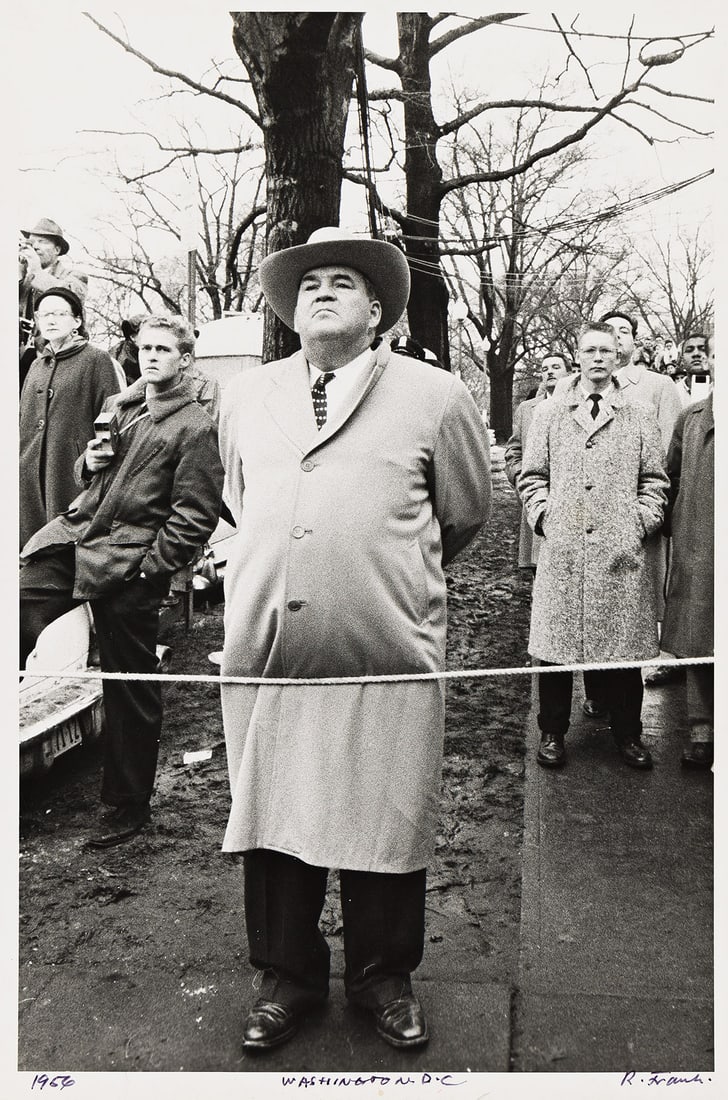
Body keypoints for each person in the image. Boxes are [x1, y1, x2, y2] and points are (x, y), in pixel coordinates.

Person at [217, 226, 491, 1053]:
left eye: (344, 281)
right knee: (273, 818)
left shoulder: (434, 396)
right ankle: (284, 978)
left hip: (387, 655)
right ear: (291, 310)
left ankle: (384, 978)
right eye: (309, 283)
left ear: (378, 308)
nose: (324, 291)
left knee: (385, 818)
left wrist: (374, 577)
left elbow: (463, 514)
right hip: (268, 657)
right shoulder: (245, 397)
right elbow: (240, 499)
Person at [20, 314, 224, 847]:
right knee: (19, 601)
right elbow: (89, 481)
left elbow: (195, 514)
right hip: (78, 540)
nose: (151, 356)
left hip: (129, 563)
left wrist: (149, 570)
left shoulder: (194, 425)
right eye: (145, 348)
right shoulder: (120, 408)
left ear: (185, 359)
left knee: (129, 684)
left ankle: (127, 806)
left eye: (163, 349)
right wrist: (89, 462)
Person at [519, 321, 668, 771]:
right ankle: (552, 733)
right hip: (564, 548)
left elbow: (655, 482)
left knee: (623, 650)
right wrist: (545, 516)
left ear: (619, 356)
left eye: (607, 350)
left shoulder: (638, 413)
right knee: (555, 649)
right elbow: (531, 477)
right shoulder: (550, 412)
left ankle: (629, 734)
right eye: (590, 350)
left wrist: (637, 522)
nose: (598, 358)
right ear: (578, 356)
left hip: (619, 552)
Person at [599, 309, 684, 689]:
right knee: (598, 595)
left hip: (638, 507)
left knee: (641, 593)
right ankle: (598, 682)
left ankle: (649, 664)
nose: (617, 338)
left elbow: (668, 450)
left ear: (635, 341)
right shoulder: (584, 384)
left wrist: (649, 506)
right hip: (592, 509)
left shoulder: (657, 385)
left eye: (625, 332)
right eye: (609, 331)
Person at [19, 288, 120, 550]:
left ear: (77, 321)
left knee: (64, 548)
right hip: (28, 476)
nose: (51, 320)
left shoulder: (96, 359)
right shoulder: (35, 365)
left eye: (60, 313)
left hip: (73, 475)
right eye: (44, 314)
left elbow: (111, 415)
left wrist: (100, 465)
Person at [661, 333, 714, 769]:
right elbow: (670, 479)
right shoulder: (692, 418)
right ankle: (701, 730)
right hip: (700, 547)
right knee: (700, 636)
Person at [505, 352, 571, 571]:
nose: (549, 372)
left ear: (569, 373)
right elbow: (514, 450)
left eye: (555, 367)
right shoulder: (527, 409)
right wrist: (519, 478)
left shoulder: (579, 406)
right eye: (544, 369)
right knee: (538, 568)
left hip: (569, 499)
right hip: (537, 497)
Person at [19, 218, 89, 359]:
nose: (35, 247)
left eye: (42, 241)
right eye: (31, 243)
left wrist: (36, 272)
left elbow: (70, 295)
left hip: (59, 356)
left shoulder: (75, 276)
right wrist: (18, 272)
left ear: (57, 249)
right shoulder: (24, 279)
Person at [674, 333, 711, 408]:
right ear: (682, 360)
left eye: (703, 349)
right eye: (689, 350)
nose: (696, 353)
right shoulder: (673, 392)